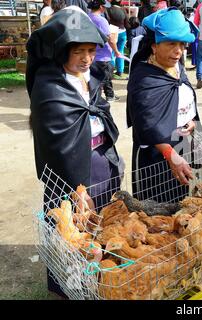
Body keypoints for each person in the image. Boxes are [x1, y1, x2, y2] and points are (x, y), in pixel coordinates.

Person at [26, 6, 122, 297]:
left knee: (99, 224)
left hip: (99, 161)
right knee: (69, 231)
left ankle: (96, 279)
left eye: (91, 51)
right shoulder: (49, 87)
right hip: (67, 173)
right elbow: (56, 145)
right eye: (78, 51)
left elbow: (98, 113)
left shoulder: (89, 78)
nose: (87, 59)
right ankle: (68, 288)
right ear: (61, 51)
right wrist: (77, 189)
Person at [127, 8, 201, 202]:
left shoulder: (176, 66)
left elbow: (184, 98)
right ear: (154, 46)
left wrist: (192, 121)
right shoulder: (144, 78)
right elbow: (146, 124)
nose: (178, 51)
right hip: (156, 155)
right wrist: (170, 154)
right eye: (171, 44)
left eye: (182, 45)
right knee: (154, 212)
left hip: (182, 145)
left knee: (180, 202)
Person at [88, 0, 122, 102]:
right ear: (101, 7)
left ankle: (106, 95)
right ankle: (105, 97)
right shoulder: (101, 20)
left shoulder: (86, 17)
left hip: (92, 54)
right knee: (105, 78)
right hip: (103, 55)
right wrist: (116, 51)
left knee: (94, 79)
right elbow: (110, 39)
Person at [107, 0, 130, 78]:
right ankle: (120, 71)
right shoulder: (123, 10)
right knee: (120, 51)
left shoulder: (109, 9)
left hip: (112, 31)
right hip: (123, 32)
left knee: (112, 52)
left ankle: (111, 70)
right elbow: (127, 23)